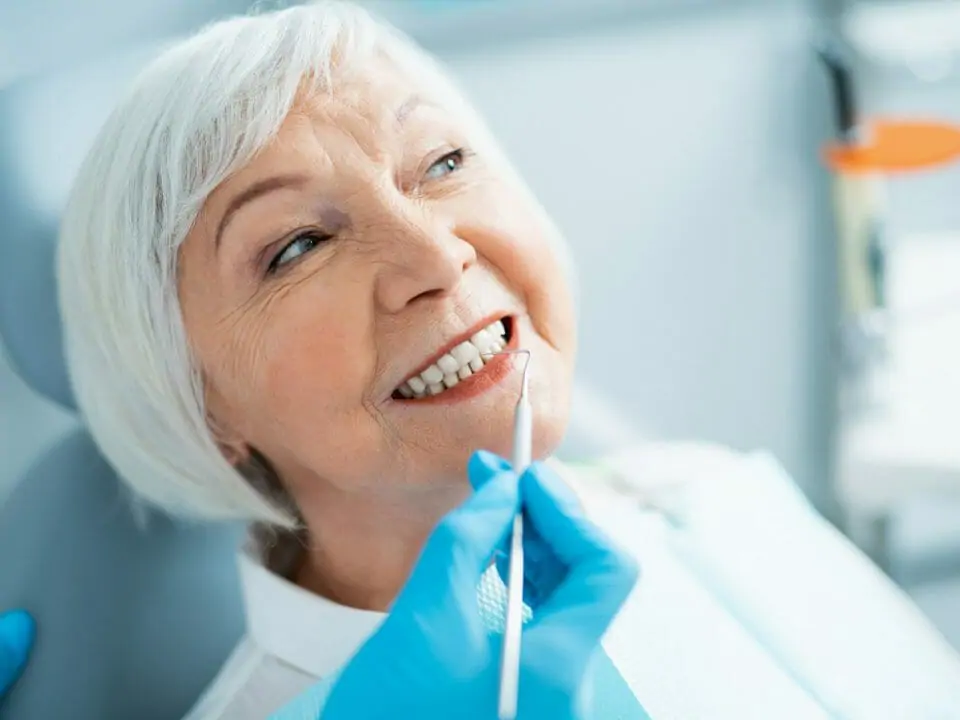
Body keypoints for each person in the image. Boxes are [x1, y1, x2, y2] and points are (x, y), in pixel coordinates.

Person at [53, 2, 960, 718]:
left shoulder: (703, 493)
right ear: (202, 408)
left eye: (443, 162)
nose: (434, 255)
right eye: (296, 246)